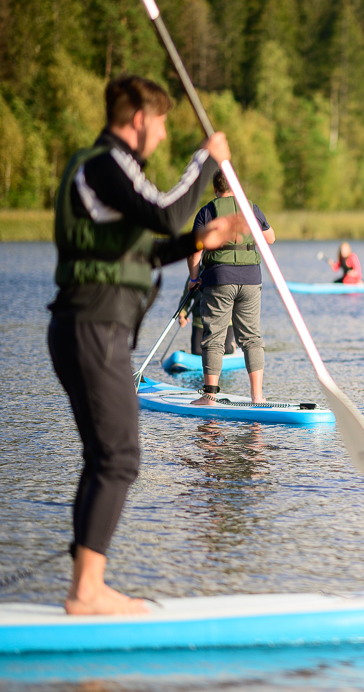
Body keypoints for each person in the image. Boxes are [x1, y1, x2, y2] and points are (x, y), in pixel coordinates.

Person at [48, 75, 240, 615]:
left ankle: (84, 586)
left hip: (90, 326)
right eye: (159, 123)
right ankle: (87, 592)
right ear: (138, 118)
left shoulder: (106, 171)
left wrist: (200, 240)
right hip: (93, 327)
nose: (161, 134)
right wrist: (205, 159)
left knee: (106, 454)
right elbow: (167, 211)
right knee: (121, 455)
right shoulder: (107, 164)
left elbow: (144, 251)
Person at [187, 171, 275, 404]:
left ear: (215, 188)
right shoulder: (250, 207)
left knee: (214, 337)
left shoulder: (207, 211)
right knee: (251, 338)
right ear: (235, 186)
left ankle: (209, 396)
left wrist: (193, 278)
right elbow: (271, 237)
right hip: (251, 280)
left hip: (219, 279)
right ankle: (257, 397)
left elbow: (195, 249)